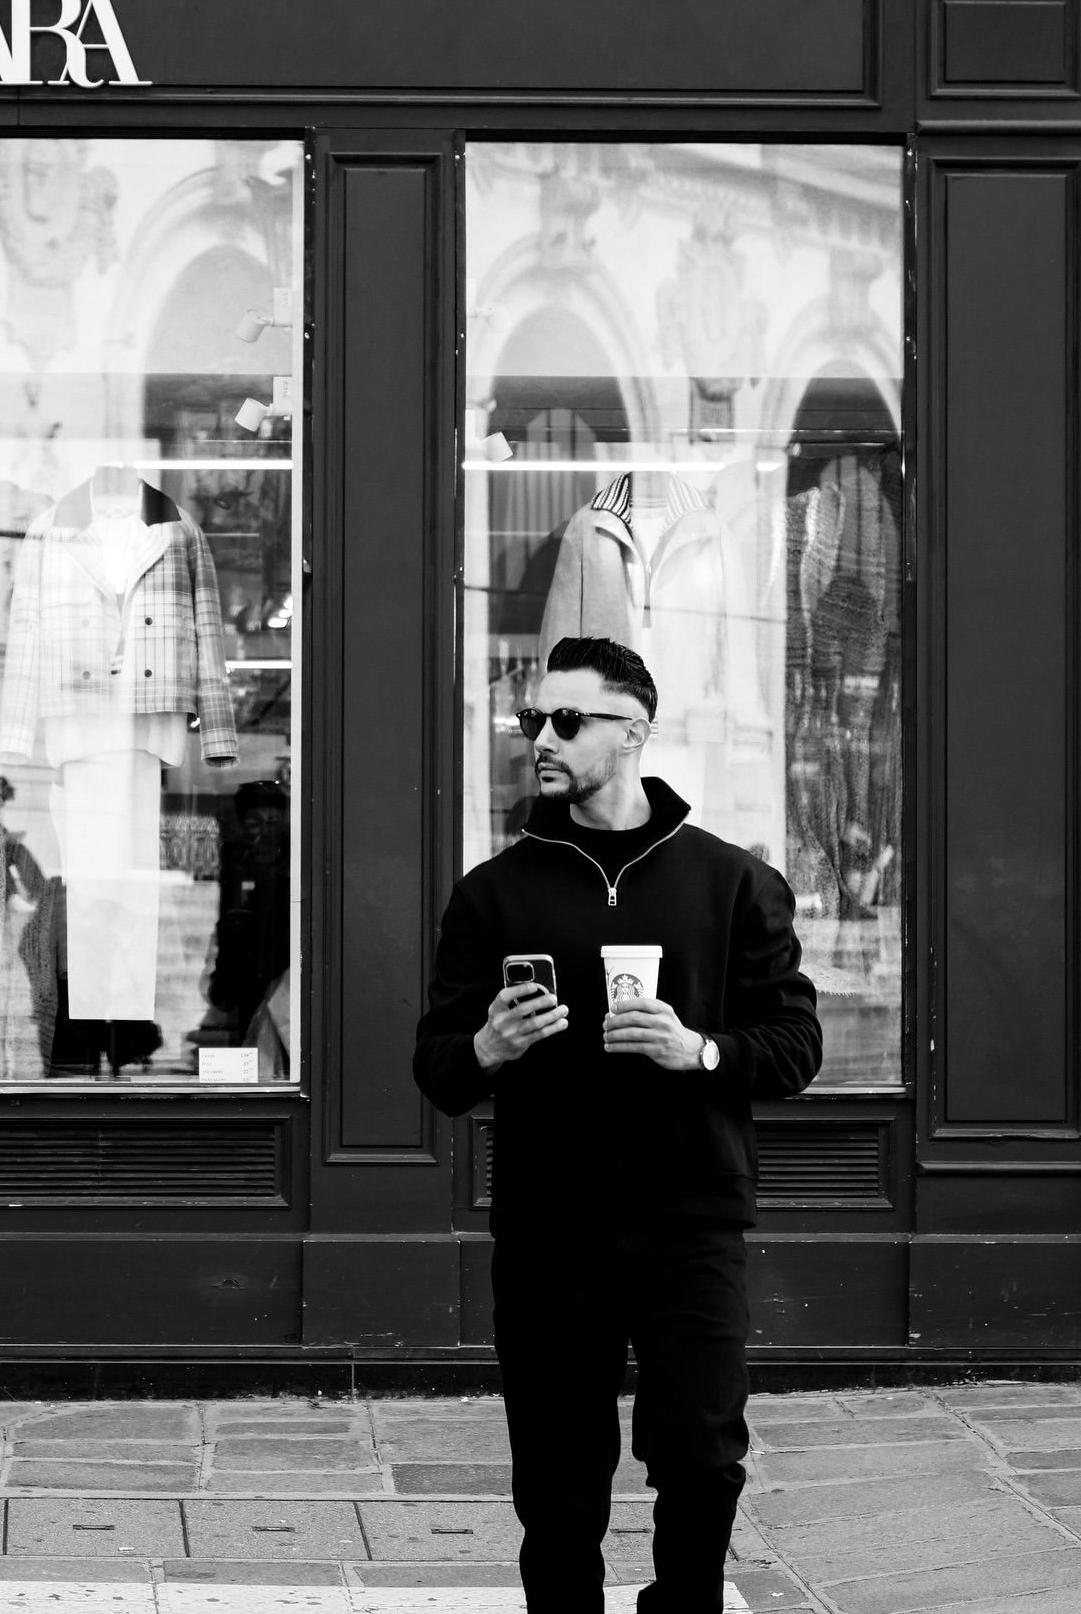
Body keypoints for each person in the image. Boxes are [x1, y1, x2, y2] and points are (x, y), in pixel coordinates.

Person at [414, 635, 821, 1614]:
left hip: (692, 1217)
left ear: (633, 731)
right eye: (533, 720)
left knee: (702, 1454)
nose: (541, 739)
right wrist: (489, 1047)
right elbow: (437, 1069)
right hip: (552, 1223)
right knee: (558, 1474)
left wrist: (699, 1050)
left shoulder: (732, 883)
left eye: (567, 720)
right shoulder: (493, 893)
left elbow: (795, 1046)